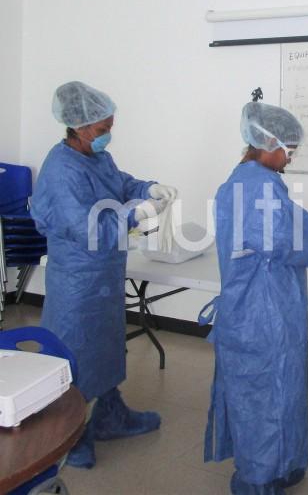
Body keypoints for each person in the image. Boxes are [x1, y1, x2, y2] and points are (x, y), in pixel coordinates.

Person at [31, 81, 178, 468]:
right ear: (78, 127)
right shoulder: (61, 170)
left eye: (110, 126)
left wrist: (148, 188)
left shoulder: (97, 158)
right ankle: (70, 437)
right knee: (77, 353)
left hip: (105, 273)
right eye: (101, 129)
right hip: (78, 280)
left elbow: (120, 183)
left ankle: (111, 415)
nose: (107, 135)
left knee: (106, 347)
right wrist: (137, 214)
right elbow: (90, 229)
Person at [202, 101, 308, 495]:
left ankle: (285, 461)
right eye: (288, 150)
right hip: (259, 314)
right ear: (265, 143)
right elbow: (279, 239)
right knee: (265, 398)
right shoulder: (256, 185)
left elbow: (289, 220)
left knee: (285, 389)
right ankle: (256, 478)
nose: (290, 157)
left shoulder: (255, 180)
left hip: (271, 304)